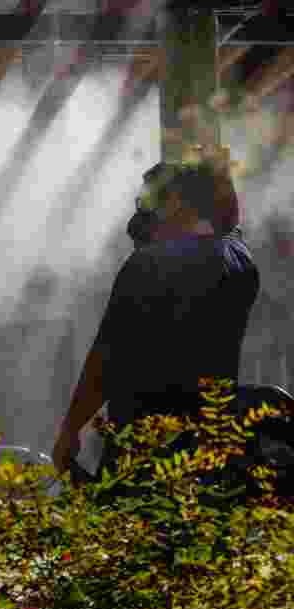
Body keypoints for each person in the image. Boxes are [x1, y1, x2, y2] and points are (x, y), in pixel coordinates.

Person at [53, 163, 259, 482]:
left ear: (176, 201)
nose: (143, 211)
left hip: (148, 446)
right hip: (213, 444)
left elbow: (107, 359)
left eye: (150, 201)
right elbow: (227, 225)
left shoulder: (148, 264)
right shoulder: (241, 261)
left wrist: (70, 429)